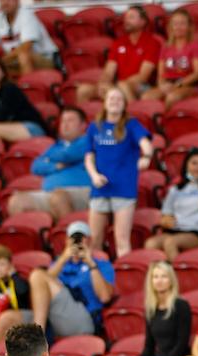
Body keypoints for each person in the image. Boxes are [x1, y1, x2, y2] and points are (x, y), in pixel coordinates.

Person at [84, 86, 154, 259]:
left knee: (121, 239)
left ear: (124, 104)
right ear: (105, 103)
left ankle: (124, 275)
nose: (115, 102)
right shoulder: (95, 127)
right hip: (100, 188)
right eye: (111, 99)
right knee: (95, 239)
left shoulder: (131, 125)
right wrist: (94, 176)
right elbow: (89, 156)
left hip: (123, 187)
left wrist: (147, 156)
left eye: (119, 99)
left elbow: (146, 144)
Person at [28, 221, 116, 338]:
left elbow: (105, 297)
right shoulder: (59, 263)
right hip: (55, 316)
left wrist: (91, 264)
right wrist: (63, 259)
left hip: (84, 317)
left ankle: (37, 337)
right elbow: (40, 287)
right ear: (66, 241)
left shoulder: (102, 265)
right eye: (73, 238)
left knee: (38, 275)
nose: (77, 242)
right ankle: (37, 333)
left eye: (81, 238)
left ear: (90, 240)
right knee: (9, 319)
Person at [6, 107, 91, 221]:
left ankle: (73, 236)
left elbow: (67, 155)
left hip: (81, 191)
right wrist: (56, 166)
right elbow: (36, 166)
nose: (65, 125)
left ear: (83, 125)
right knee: (17, 201)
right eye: (63, 121)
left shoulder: (88, 141)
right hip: (50, 193)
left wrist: (50, 158)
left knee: (59, 198)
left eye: (70, 120)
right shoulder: (57, 146)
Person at [115, 261, 192, 356]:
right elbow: (149, 346)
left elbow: (182, 343)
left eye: (164, 276)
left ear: (171, 281)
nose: (159, 281)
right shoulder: (151, 309)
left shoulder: (181, 305)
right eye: (155, 277)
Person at [144, 149, 198, 260]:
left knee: (171, 242)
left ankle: (176, 275)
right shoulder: (175, 189)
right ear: (186, 165)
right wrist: (164, 222)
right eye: (194, 163)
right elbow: (166, 215)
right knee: (151, 243)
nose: (197, 167)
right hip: (176, 230)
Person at [76, 6, 160, 104]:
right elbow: (109, 71)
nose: (126, 21)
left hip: (140, 86)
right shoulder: (119, 42)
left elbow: (143, 76)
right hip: (118, 85)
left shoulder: (152, 43)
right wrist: (103, 83)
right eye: (126, 18)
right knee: (83, 90)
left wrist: (116, 87)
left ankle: (132, 117)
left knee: (123, 86)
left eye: (131, 17)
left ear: (143, 22)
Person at [140, 10, 198, 108]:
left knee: (172, 97)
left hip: (188, 84)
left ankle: (165, 122)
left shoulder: (195, 45)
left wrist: (178, 84)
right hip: (168, 82)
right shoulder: (166, 47)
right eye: (175, 24)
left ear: (190, 27)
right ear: (171, 27)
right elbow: (160, 74)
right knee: (146, 97)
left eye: (182, 24)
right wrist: (161, 86)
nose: (178, 27)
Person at [0, 0, 58, 76]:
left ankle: (27, 85)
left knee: (24, 57)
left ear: (17, 1)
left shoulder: (26, 15)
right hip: (13, 59)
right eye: (2, 0)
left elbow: (25, 49)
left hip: (45, 58)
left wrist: (2, 60)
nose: (5, 3)